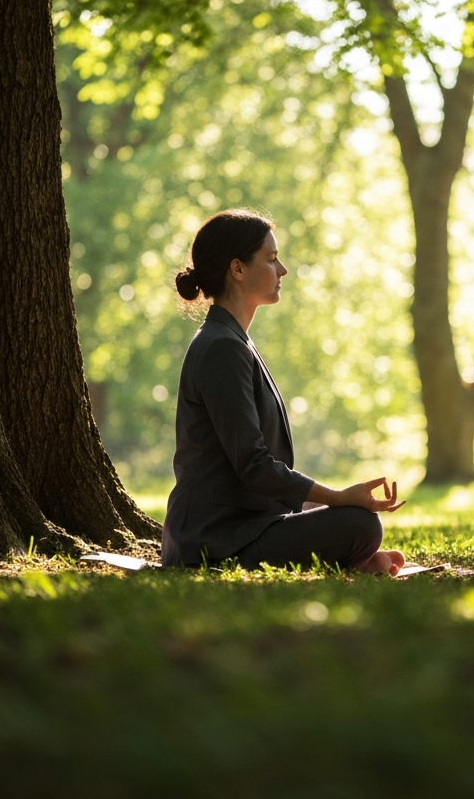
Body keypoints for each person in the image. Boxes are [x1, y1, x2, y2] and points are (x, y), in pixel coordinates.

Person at [161, 209, 406, 574]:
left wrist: (330, 506)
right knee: (360, 525)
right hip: (213, 543)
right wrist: (337, 497)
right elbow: (253, 465)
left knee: (352, 520)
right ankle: (351, 562)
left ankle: (350, 561)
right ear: (238, 269)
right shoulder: (220, 348)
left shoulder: (232, 342)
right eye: (272, 259)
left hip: (242, 527)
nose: (283, 270)